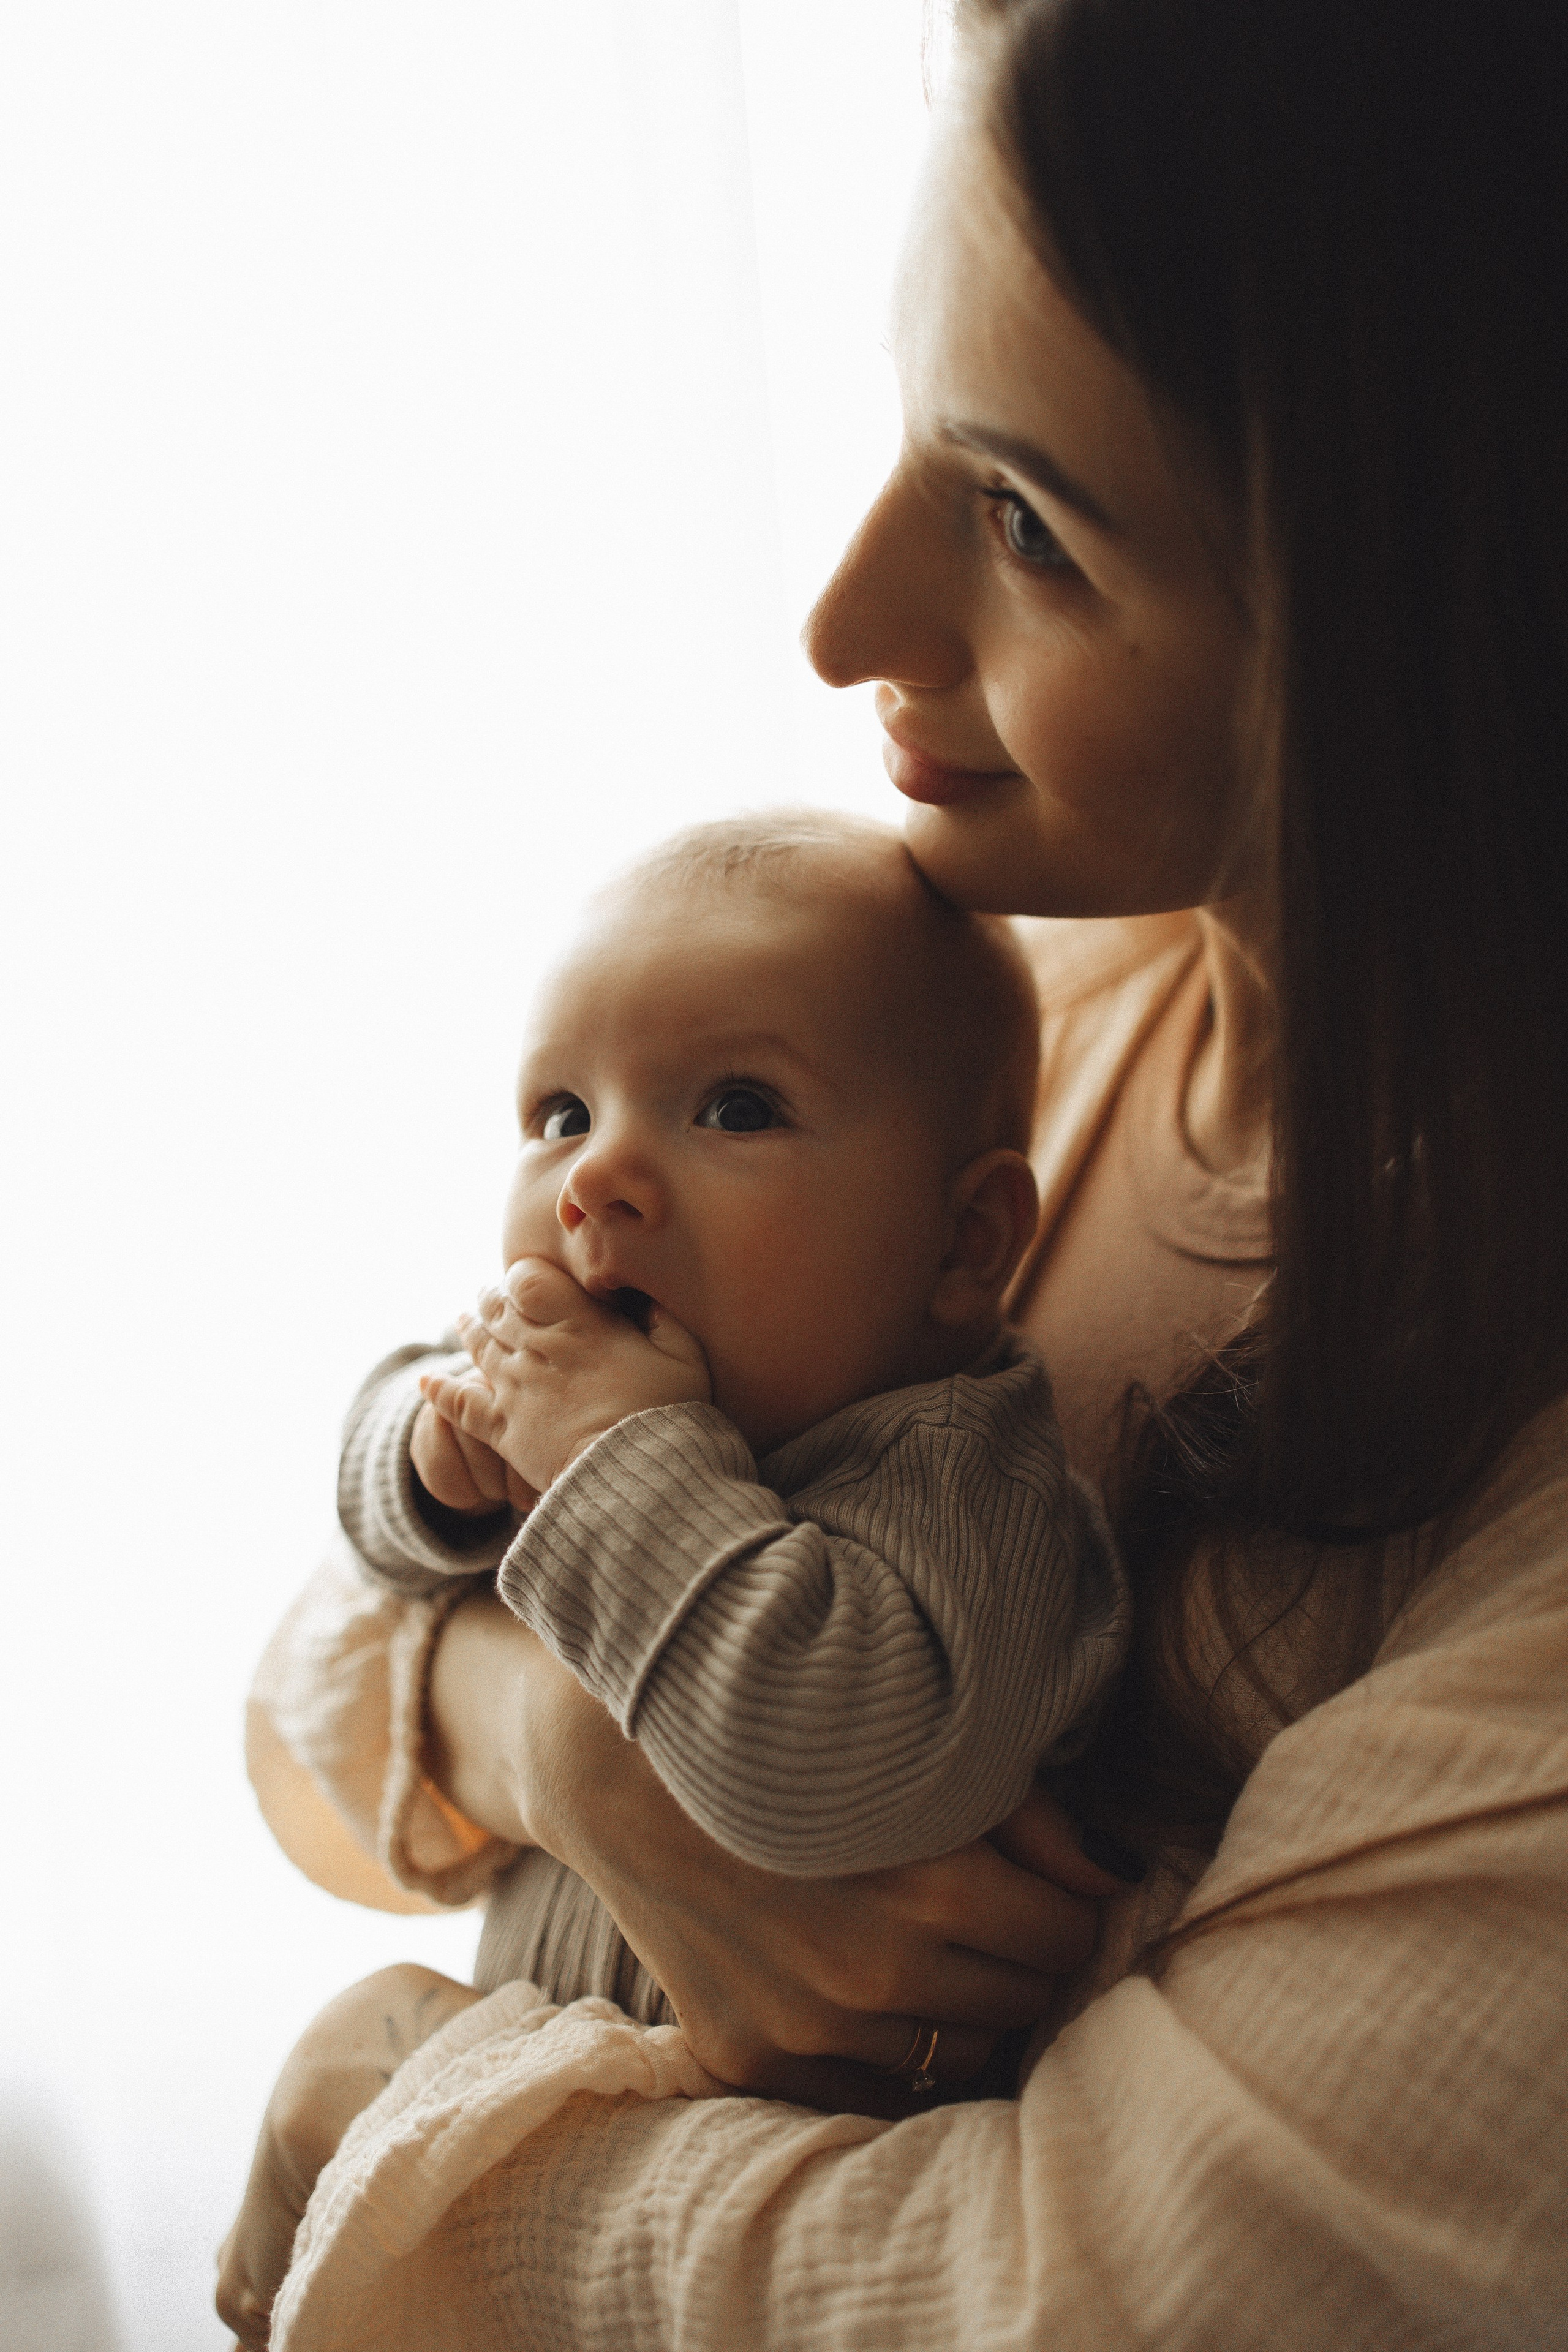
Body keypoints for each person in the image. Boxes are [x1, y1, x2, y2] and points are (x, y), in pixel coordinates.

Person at [219, 0, 1568, 2343]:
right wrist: (563, 1752)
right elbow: (307, 1715)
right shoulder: (993, 997)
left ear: (1435, 637)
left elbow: (1121, 2289)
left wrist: (405, 2110)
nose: (841, 623)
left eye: (1027, 525)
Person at [331, 810, 1128, 2032]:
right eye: (561, 1114)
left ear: (963, 1241)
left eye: (738, 1109)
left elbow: (828, 1778)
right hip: (540, 2073)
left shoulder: (961, 1481)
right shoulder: (581, 1368)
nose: (595, 1177)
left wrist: (613, 1462)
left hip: (774, 2148)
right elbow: (363, 1510)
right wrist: (432, 1464)